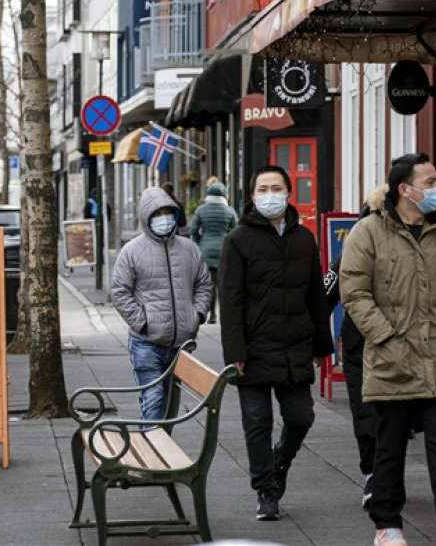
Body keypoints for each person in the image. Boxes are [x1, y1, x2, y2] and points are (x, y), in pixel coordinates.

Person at [340, 153, 436, 546]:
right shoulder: (368, 232)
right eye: (429, 182)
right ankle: (387, 526)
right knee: (388, 447)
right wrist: (386, 336)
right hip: (392, 358)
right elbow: (354, 293)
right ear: (404, 189)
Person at [219, 165, 332, 521]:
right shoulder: (237, 240)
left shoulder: (303, 239)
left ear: (288, 193)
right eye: (263, 188)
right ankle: (266, 491)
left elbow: (316, 293)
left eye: (276, 188)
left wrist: (321, 345)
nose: (270, 194)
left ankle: (280, 462)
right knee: (257, 424)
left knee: (301, 417)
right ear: (252, 197)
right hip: (252, 350)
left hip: (294, 345)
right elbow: (230, 300)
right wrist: (235, 352)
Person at [111, 187, 213, 422]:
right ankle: (153, 457)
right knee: (154, 401)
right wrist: (142, 322)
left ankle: (159, 453)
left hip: (181, 345)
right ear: (146, 217)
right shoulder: (132, 251)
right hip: (147, 344)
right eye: (157, 213)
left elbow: (204, 284)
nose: (163, 218)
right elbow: (119, 292)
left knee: (169, 408)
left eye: (168, 212)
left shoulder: (189, 249)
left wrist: (196, 315)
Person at [323, 198, 377, 507]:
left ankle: (382, 472)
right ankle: (372, 472)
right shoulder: (346, 258)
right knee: (364, 412)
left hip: (395, 349)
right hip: (358, 347)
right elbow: (323, 296)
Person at [187, 181, 237, 323]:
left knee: (208, 285)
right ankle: (224, 313)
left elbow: (193, 230)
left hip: (206, 251)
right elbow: (236, 231)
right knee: (223, 284)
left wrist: (199, 242)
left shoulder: (201, 210)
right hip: (224, 251)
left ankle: (212, 314)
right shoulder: (229, 211)